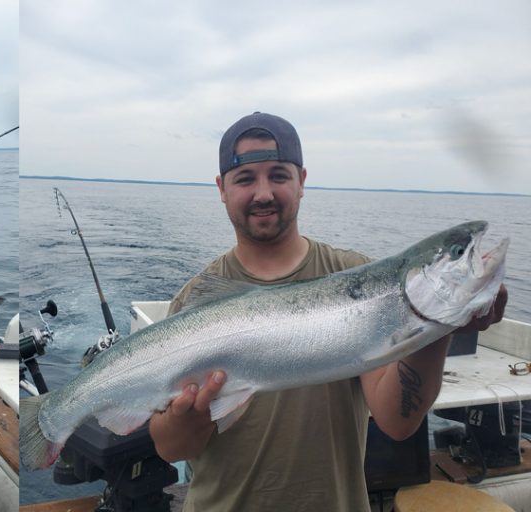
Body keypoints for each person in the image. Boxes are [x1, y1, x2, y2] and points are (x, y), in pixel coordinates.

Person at [147, 112, 508, 512]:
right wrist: (189, 419)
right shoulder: (196, 301)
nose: (263, 193)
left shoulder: (357, 280)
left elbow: (398, 421)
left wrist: (439, 329)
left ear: (301, 181)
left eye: (279, 175)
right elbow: (169, 448)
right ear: (222, 188)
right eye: (246, 178)